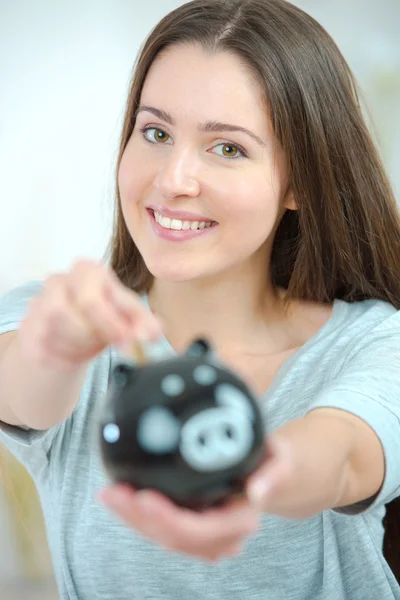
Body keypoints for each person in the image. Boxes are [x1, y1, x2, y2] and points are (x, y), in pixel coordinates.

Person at [1, 0, 400, 598]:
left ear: (298, 183)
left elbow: (341, 456)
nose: (172, 179)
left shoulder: (375, 343)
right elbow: (21, 385)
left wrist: (247, 476)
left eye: (228, 148)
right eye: (156, 133)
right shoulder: (50, 319)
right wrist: (55, 348)